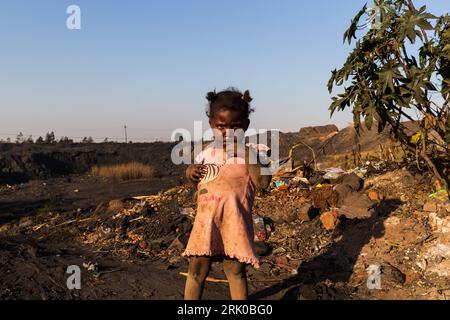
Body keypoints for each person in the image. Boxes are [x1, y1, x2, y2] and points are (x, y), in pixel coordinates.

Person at [183, 88, 271, 300]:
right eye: (221, 126)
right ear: (212, 124)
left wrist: (246, 153)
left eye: (235, 127)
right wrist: (190, 172)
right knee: (196, 271)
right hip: (206, 223)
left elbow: (263, 183)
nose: (228, 133)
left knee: (235, 271)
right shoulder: (206, 152)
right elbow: (194, 180)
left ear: (246, 126)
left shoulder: (254, 152)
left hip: (235, 224)